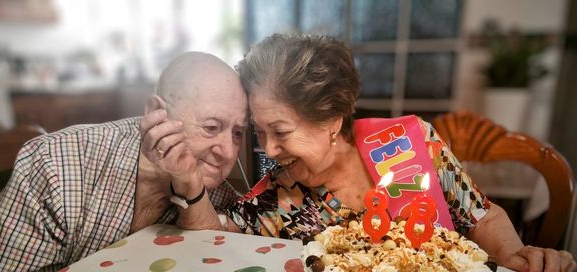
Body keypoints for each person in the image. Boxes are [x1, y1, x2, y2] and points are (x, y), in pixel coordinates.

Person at [173, 34, 575, 272]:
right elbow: (212, 239)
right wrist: (190, 188)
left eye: (280, 131)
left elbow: (481, 215)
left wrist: (513, 257)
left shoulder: (408, 143)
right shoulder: (277, 196)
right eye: (259, 132)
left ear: (332, 118)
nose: (269, 150)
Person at [0, 52, 248, 271]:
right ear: (157, 114)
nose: (227, 151)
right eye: (211, 127)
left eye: (238, 133)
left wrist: (191, 188)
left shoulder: (218, 196)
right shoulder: (56, 166)